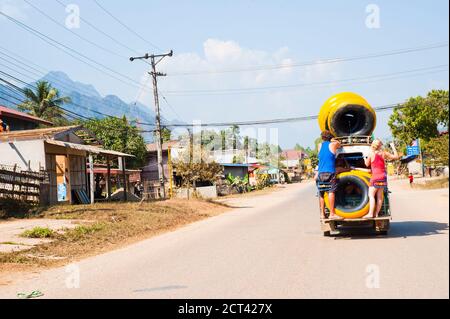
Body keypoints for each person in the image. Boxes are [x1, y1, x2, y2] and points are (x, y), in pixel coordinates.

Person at [364, 140, 401, 218]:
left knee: (371, 195)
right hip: (383, 176)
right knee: (379, 196)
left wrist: (365, 158)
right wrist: (393, 147)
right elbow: (396, 157)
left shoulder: (371, 154)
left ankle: (370, 214)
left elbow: (367, 164)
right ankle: (376, 213)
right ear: (380, 145)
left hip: (375, 176)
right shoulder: (384, 153)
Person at [315, 130, 341, 220]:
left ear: (322, 138)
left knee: (321, 193)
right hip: (330, 172)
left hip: (320, 173)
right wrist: (334, 139)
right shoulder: (333, 144)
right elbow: (339, 144)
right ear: (331, 137)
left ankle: (322, 214)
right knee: (331, 192)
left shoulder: (319, 145)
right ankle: (332, 214)